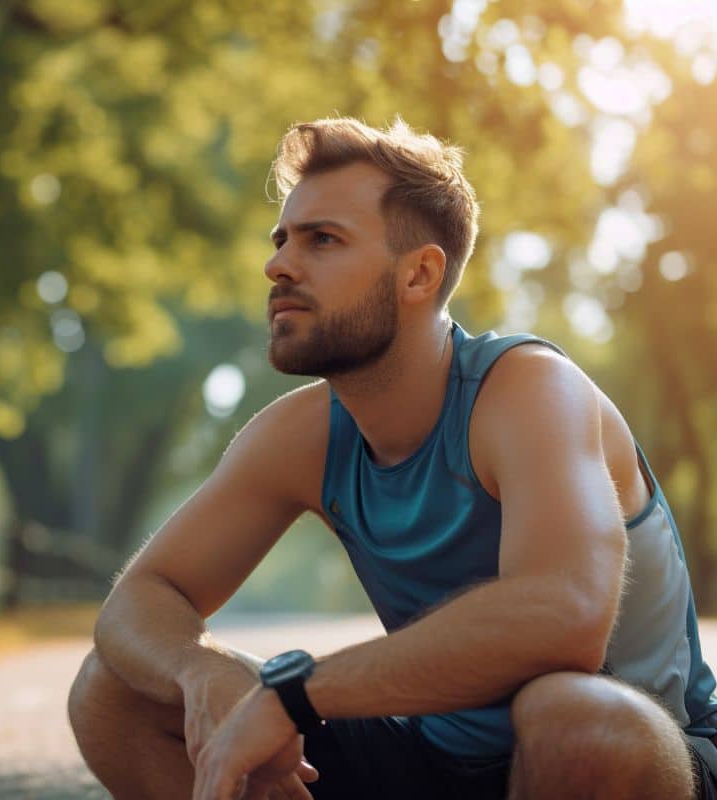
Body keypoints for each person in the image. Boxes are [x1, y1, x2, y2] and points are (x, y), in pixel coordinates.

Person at [66, 116, 717, 800]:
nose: (279, 264)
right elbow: (137, 602)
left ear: (419, 276)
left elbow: (566, 617)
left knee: (575, 720)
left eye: (324, 240)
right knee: (113, 691)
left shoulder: (527, 391)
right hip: (439, 763)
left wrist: (293, 695)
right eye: (282, 239)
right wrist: (200, 674)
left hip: (639, 756)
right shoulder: (301, 435)